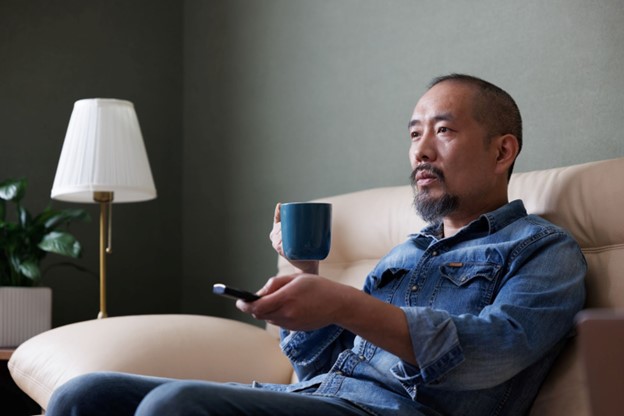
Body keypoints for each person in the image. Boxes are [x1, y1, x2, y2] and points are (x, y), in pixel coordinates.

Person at [46, 74, 586, 416]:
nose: (421, 150)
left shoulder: (542, 250)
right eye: (413, 133)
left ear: (502, 151)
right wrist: (306, 276)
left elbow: (494, 353)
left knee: (176, 405)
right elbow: (318, 369)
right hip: (323, 398)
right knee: (84, 394)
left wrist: (347, 303)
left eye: (442, 131)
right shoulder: (408, 253)